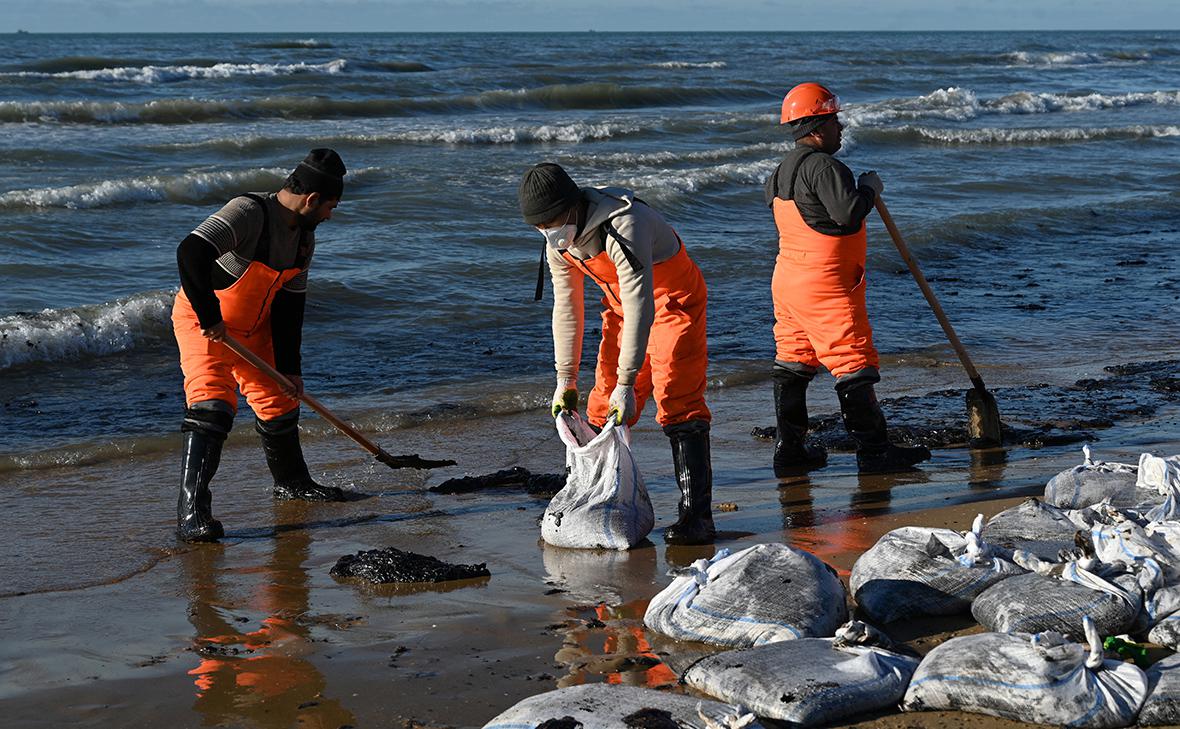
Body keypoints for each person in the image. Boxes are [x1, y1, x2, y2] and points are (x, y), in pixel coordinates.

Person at [518, 163, 714, 545]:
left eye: (553, 221)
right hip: (623, 308)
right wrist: (564, 379)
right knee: (601, 404)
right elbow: (568, 307)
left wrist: (629, 381)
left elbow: (644, 303)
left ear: (572, 207)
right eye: (540, 227)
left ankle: (697, 516)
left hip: (673, 301)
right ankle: (590, 501)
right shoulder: (558, 241)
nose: (549, 232)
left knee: (677, 397)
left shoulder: (625, 223)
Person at [172, 149, 348, 542]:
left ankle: (293, 483)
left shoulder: (305, 239)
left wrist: (291, 369)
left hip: (256, 328)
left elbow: (290, 305)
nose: (329, 217)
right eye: (330, 207)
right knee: (213, 406)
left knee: (281, 401)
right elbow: (190, 252)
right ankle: (191, 514)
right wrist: (209, 316)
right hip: (205, 325)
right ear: (311, 200)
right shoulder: (248, 211)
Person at [765, 83, 930, 475]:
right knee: (851, 361)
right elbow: (848, 214)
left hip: (788, 281)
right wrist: (870, 189)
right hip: (824, 285)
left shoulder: (780, 171)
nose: (841, 128)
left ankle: (790, 453)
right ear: (818, 126)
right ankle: (875, 453)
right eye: (836, 121)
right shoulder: (825, 167)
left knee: (793, 362)